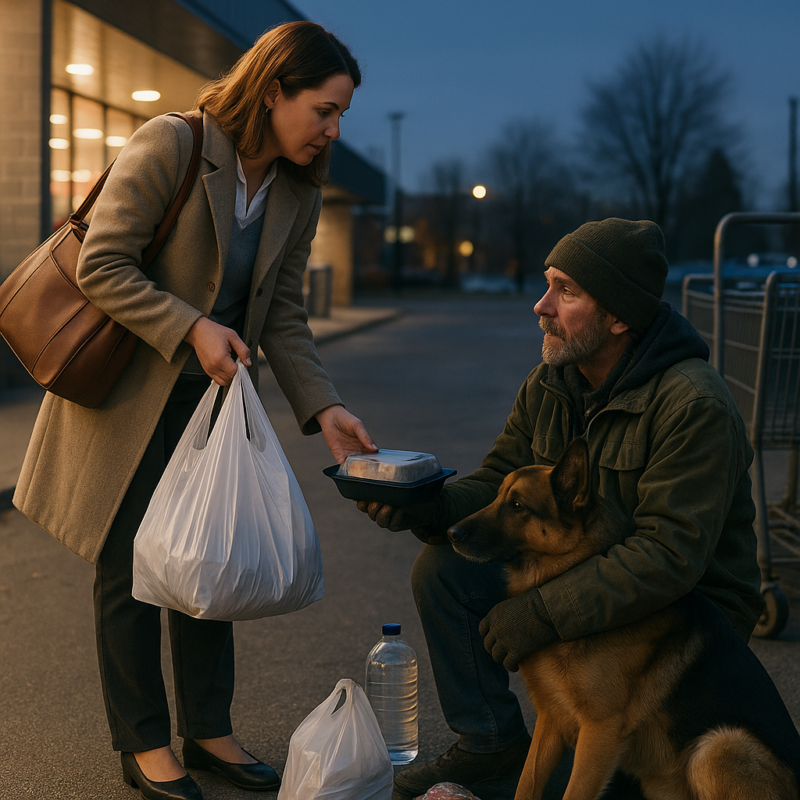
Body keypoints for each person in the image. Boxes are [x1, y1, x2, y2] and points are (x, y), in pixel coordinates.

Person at [14, 21, 377, 800]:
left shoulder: (294, 190)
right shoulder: (171, 144)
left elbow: (281, 313)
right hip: (124, 400)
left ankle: (209, 732)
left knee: (207, 561)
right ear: (274, 91)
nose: (333, 130)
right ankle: (143, 744)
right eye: (324, 109)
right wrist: (193, 325)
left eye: (342, 114)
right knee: (130, 572)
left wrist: (327, 408)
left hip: (209, 405)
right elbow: (103, 264)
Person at [359, 217, 764, 800]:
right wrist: (428, 506)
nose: (541, 306)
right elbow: (502, 482)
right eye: (548, 284)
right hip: (584, 575)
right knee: (445, 568)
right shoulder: (552, 381)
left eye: (566, 291)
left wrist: (544, 613)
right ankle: (491, 744)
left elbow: (669, 556)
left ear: (619, 316)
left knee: (617, 775)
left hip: (681, 621)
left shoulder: (693, 404)